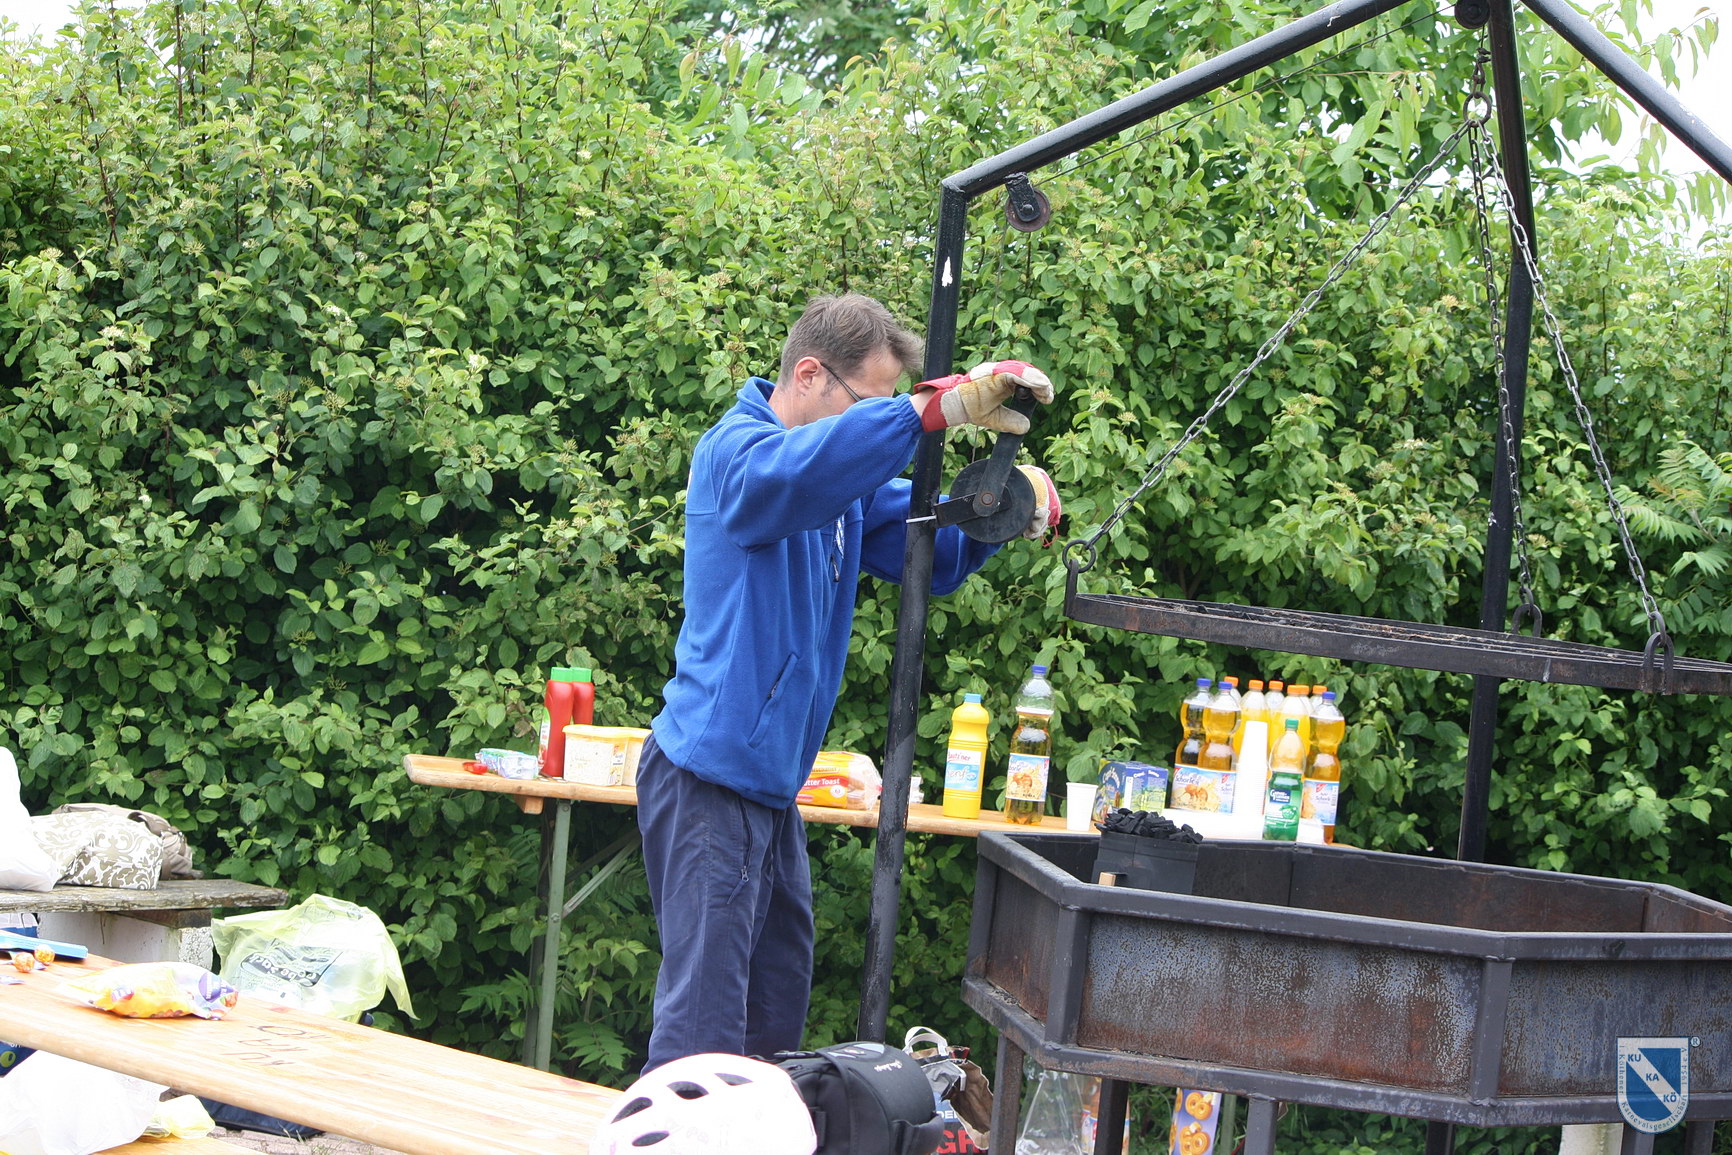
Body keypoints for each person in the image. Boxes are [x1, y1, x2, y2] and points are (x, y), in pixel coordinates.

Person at [635, 291, 1062, 1071]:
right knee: (702, 1037)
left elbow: (926, 546)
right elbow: (797, 477)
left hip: (767, 793)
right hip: (708, 784)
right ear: (808, 374)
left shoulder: (839, 491)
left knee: (770, 1024)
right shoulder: (739, 455)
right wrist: (929, 411)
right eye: (872, 403)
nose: (885, 421)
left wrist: (1007, 505)